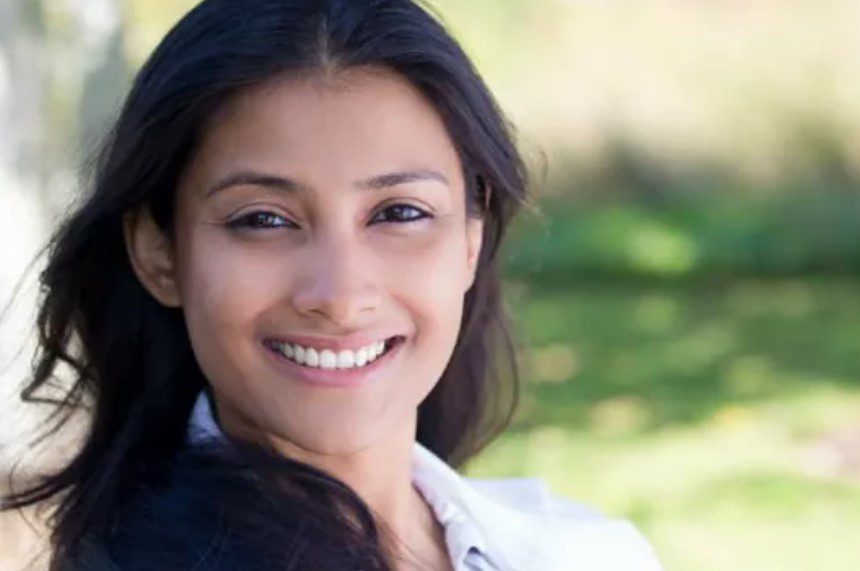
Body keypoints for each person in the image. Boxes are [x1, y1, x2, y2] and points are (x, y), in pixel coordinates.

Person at [1, 1, 662, 569]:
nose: (341, 295)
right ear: (159, 251)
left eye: (399, 212)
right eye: (263, 219)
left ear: (471, 237)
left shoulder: (585, 549)